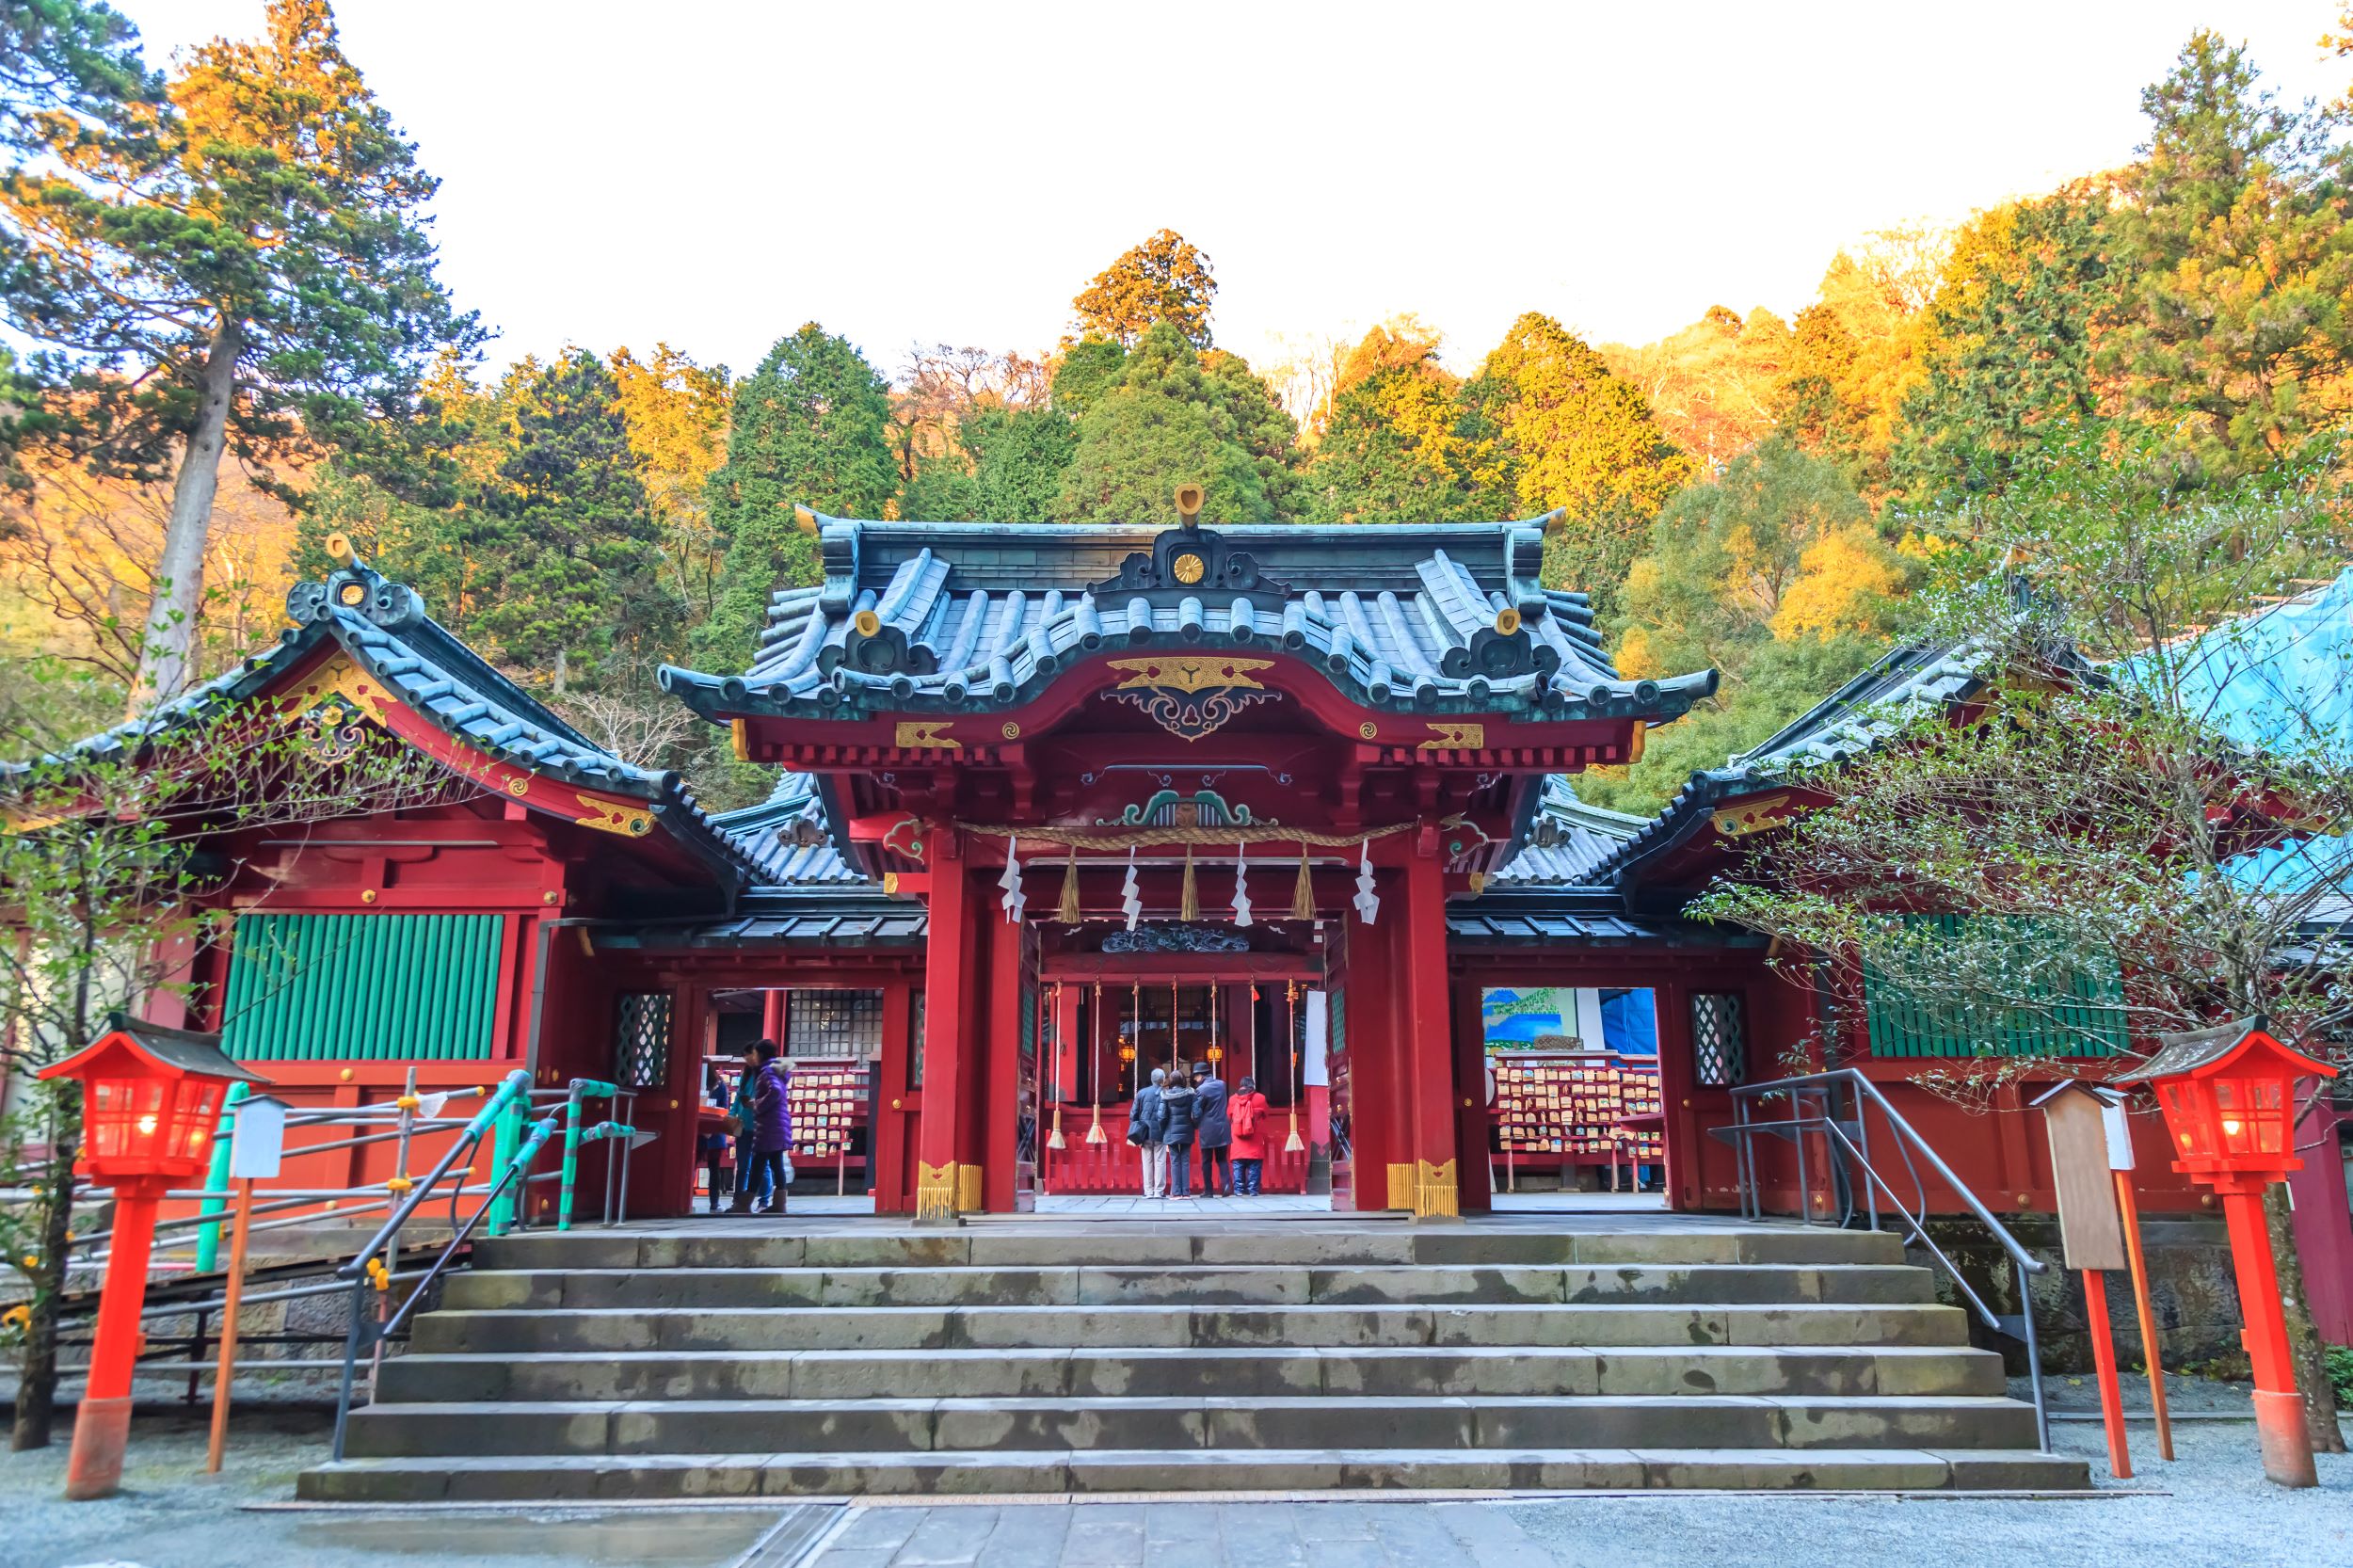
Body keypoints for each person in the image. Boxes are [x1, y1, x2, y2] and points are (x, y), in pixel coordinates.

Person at [749, 1038, 792, 1214]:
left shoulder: (767, 1071)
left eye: (754, 1053)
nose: (753, 1057)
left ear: (761, 1054)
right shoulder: (776, 1069)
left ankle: (744, 1202)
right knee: (776, 1164)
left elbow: (775, 1091)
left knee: (758, 1164)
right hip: (778, 1124)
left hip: (769, 1125)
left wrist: (758, 1105)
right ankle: (780, 1204)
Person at [727, 1046, 767, 1213]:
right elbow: (738, 1096)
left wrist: (754, 1103)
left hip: (759, 1125)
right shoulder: (747, 1073)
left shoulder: (765, 1073)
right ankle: (738, 1200)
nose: (748, 1059)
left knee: (763, 1166)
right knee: (742, 1165)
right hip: (743, 1124)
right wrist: (732, 1113)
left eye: (750, 1055)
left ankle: (764, 1200)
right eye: (745, 1057)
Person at [1128, 1066, 1171, 1198]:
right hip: (1160, 1131)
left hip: (1144, 1131)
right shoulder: (1166, 1093)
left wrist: (1135, 1129)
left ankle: (1148, 1191)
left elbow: (1134, 1114)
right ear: (1162, 1080)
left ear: (1152, 1079)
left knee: (1147, 1161)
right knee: (1160, 1161)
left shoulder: (1141, 1093)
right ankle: (1159, 1191)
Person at [1159, 1061, 1199, 1198]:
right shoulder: (1191, 1094)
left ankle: (1176, 1193)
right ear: (1183, 1080)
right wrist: (1194, 1126)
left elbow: (1162, 1116)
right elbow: (1196, 1114)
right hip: (1187, 1129)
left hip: (1171, 1131)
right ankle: (1186, 1192)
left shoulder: (1165, 1095)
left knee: (1175, 1161)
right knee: (1185, 1161)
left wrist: (1163, 1129)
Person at [1192, 1060, 1231, 1197]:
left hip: (1207, 1128)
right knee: (1222, 1159)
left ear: (1200, 1075)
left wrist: (1194, 1124)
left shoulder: (1201, 1090)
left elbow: (1197, 1112)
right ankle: (1226, 1185)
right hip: (1223, 1125)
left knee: (1206, 1160)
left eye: (1195, 1076)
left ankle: (1208, 1190)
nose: (1195, 1079)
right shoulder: (1222, 1085)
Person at [697, 1063, 733, 1214]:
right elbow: (724, 1109)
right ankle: (714, 1203)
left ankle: (685, 1199)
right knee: (714, 1169)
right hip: (715, 1131)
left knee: (693, 1165)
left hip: (698, 1130)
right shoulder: (721, 1086)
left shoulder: (696, 1083)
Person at [1227, 1075, 1271, 1196]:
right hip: (1254, 1136)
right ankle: (1253, 1190)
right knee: (1255, 1165)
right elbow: (1266, 1114)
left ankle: (1238, 1190)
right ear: (1253, 1085)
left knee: (1238, 1165)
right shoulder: (1260, 1098)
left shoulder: (1232, 1099)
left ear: (1241, 1085)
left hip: (1237, 1138)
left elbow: (1229, 1116)